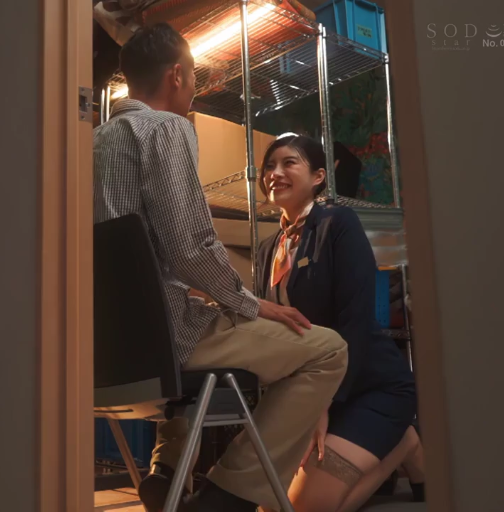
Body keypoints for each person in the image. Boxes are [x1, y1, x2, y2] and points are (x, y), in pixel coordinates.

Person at [93, 23, 348, 512]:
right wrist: (249, 303)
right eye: (194, 77)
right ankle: (227, 498)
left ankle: (167, 471)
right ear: (177, 76)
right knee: (328, 350)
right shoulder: (166, 128)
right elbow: (190, 247)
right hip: (162, 342)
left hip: (104, 352)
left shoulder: (90, 142)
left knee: (197, 314)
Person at [255, 135, 426, 512]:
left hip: (368, 386)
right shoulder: (269, 248)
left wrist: (324, 402)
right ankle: (405, 442)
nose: (274, 173)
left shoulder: (337, 223)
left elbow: (357, 319)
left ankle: (401, 441)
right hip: (311, 394)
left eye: (288, 163)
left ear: (318, 177)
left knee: (303, 509)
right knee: (269, 506)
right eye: (269, 166)